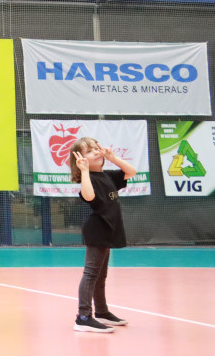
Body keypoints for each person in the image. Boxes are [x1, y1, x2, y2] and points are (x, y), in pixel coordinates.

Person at [69, 137, 136, 333]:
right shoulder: (87, 179)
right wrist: (84, 171)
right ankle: (83, 317)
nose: (96, 152)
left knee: (101, 276)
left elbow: (131, 172)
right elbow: (89, 196)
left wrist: (113, 158)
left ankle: (102, 312)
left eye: (96, 148)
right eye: (89, 151)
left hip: (108, 230)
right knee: (91, 274)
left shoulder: (108, 176)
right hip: (97, 230)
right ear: (80, 159)